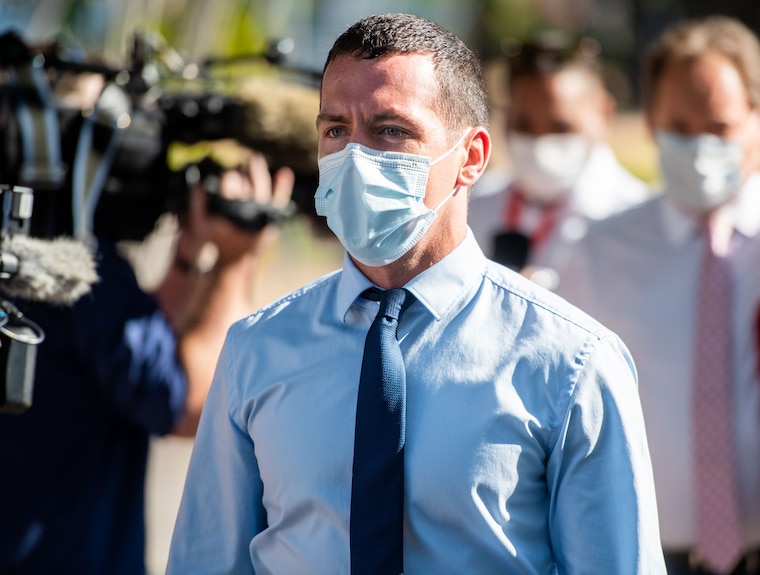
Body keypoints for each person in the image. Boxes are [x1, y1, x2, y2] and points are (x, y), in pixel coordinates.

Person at [166, 12, 666, 575]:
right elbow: (207, 560)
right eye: (335, 130)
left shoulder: (570, 362)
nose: (355, 157)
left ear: (471, 157)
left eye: (390, 131)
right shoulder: (258, 349)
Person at [555, 15, 760, 575]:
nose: (698, 147)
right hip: (652, 555)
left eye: (718, 127)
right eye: (678, 126)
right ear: (650, 124)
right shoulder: (599, 251)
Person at [0, 63, 294, 573]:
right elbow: (190, 405)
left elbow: (127, 349)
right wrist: (234, 261)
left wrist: (187, 256)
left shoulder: (27, 262)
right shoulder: (73, 277)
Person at [467, 36, 648, 287]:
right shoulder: (472, 207)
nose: (540, 143)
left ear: (603, 114)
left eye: (561, 127)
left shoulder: (637, 219)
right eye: (525, 125)